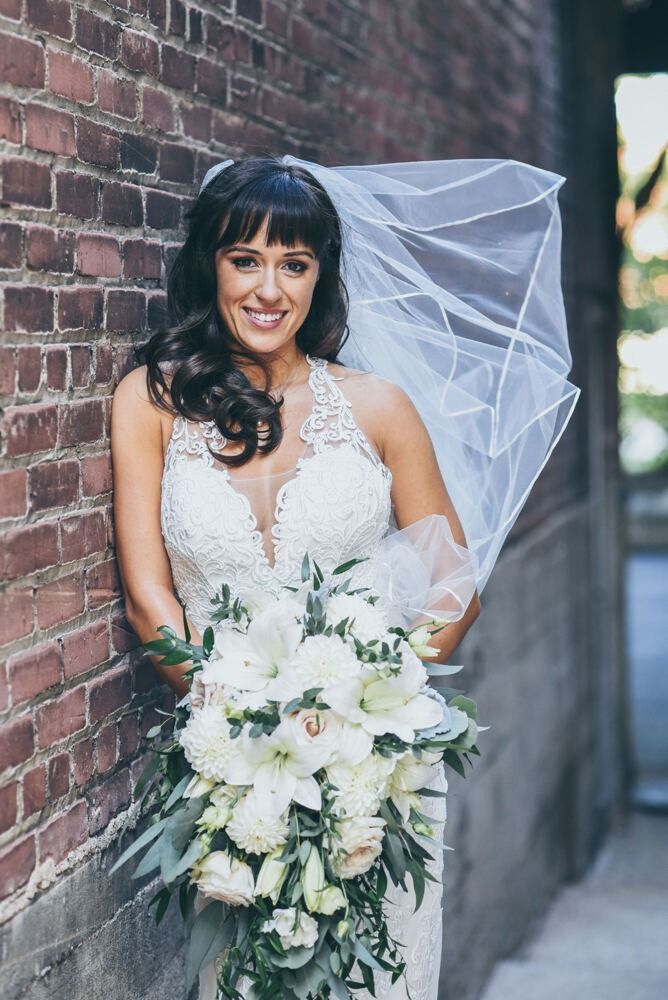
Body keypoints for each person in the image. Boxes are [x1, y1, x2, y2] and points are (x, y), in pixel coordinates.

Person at [111, 155, 483, 999]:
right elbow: (148, 598)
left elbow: (452, 584)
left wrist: (369, 715)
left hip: (372, 783)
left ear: (322, 276)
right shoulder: (152, 400)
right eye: (246, 259)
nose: (269, 289)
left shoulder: (380, 408)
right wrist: (235, 731)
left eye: (295, 263)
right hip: (230, 774)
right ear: (212, 265)